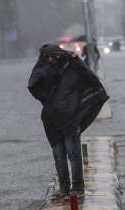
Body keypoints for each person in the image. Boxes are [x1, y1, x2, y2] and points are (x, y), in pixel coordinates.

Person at [28, 44, 109, 198]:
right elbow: (34, 86)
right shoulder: (43, 70)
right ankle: (64, 189)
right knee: (59, 156)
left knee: (74, 154)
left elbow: (90, 79)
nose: (49, 60)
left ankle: (77, 189)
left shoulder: (72, 65)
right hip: (52, 121)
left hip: (71, 119)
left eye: (51, 57)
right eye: (47, 58)